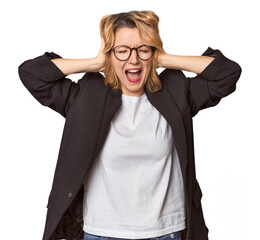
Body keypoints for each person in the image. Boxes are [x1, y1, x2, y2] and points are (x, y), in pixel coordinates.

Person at [18, 10, 242, 240]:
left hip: (166, 232)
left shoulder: (175, 92)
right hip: (101, 232)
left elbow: (227, 74)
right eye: (122, 51)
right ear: (109, 55)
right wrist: (96, 62)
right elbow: (31, 74)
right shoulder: (87, 95)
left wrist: (163, 58)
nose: (133, 60)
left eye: (143, 49)